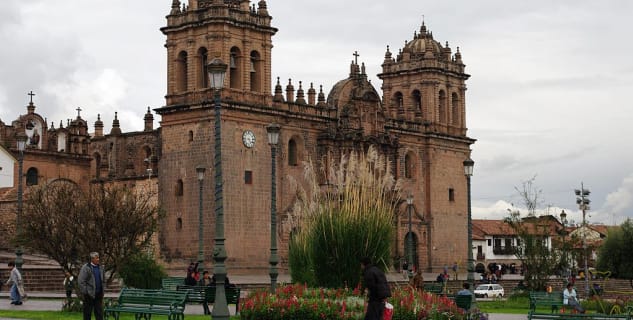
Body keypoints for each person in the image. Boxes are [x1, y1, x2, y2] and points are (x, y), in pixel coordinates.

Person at [79, 252, 105, 320]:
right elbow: (81, 281)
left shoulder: (101, 267)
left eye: (98, 258)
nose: (98, 259)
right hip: (89, 295)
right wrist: (86, 292)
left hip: (98, 294)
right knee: (87, 313)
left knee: (99, 313)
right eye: (97, 258)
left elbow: (103, 280)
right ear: (92, 259)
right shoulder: (86, 267)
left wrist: (103, 290)